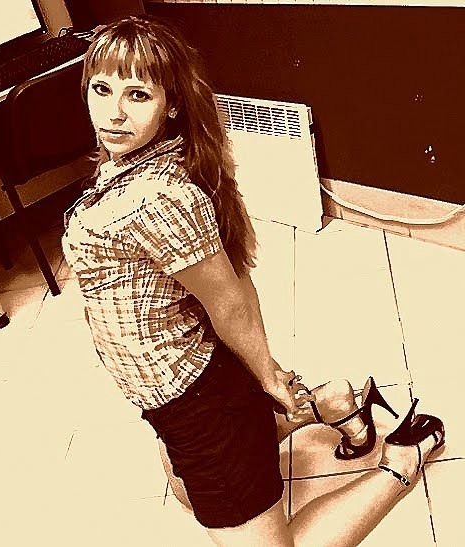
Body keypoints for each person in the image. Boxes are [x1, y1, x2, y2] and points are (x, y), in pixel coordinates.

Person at [62, 16, 445, 546]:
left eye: (138, 95)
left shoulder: (155, 196)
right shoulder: (132, 164)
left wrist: (267, 374)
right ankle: (329, 403)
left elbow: (231, 301)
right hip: (176, 394)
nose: (114, 113)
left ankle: (402, 460)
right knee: (187, 495)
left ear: (171, 105)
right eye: (102, 89)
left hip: (198, 399)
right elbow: (231, 280)